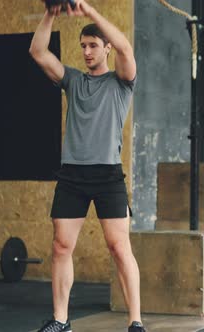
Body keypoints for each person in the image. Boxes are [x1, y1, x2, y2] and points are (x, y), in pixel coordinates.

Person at [29, 1, 145, 331]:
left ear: (106, 48)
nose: (87, 52)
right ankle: (61, 320)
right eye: (83, 46)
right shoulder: (73, 80)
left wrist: (89, 10)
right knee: (61, 246)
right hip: (73, 175)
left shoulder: (123, 81)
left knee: (119, 247)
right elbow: (38, 51)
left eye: (93, 45)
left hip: (107, 174)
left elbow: (124, 45)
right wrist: (51, 12)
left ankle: (135, 321)